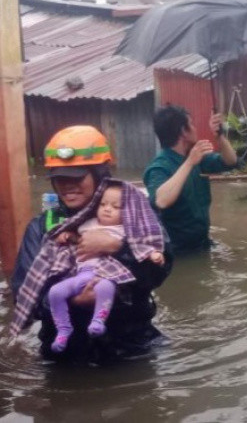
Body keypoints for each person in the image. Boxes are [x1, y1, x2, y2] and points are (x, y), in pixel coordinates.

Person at [10, 125, 173, 363]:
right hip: (67, 354)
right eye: (59, 179)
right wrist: (71, 300)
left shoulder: (136, 214)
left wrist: (118, 248)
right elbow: (24, 294)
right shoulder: (43, 228)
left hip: (130, 347)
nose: (67, 186)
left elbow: (159, 272)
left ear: (100, 174)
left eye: (76, 177)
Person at [45, 184, 165, 353]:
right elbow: (76, 237)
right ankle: (63, 329)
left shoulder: (129, 231)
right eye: (103, 205)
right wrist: (67, 236)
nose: (107, 209)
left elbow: (144, 250)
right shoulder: (87, 223)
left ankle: (98, 321)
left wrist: (149, 254)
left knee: (105, 287)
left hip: (105, 276)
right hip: (82, 274)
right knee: (55, 292)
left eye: (116, 207)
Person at [143, 105, 238, 253]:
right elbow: (161, 201)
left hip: (201, 243)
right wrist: (189, 163)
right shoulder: (159, 167)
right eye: (192, 124)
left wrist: (219, 136)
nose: (195, 128)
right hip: (176, 252)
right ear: (183, 132)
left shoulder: (195, 158)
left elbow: (230, 161)